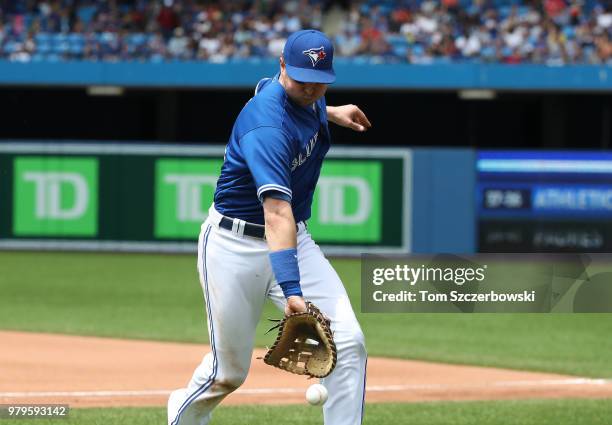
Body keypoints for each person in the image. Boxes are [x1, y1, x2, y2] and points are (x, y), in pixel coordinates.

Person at [168, 29, 372, 425]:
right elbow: (276, 212)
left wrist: (331, 111)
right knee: (227, 374)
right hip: (233, 246)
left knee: (348, 344)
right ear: (282, 66)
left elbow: (298, 99)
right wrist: (293, 293)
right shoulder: (267, 128)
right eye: (301, 79)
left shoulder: (304, 94)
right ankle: (181, 413)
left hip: (292, 236)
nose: (312, 89)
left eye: (320, 81)